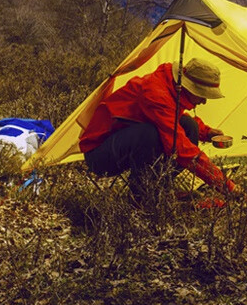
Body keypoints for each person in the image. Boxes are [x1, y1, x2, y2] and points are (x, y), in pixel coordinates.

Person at [79, 56, 238, 201]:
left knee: (190, 127)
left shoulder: (172, 86)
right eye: (202, 94)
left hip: (123, 141)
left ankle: (160, 189)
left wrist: (206, 132)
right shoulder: (156, 94)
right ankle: (142, 197)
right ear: (188, 87)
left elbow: (173, 117)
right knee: (149, 134)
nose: (204, 101)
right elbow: (183, 150)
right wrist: (226, 186)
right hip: (99, 154)